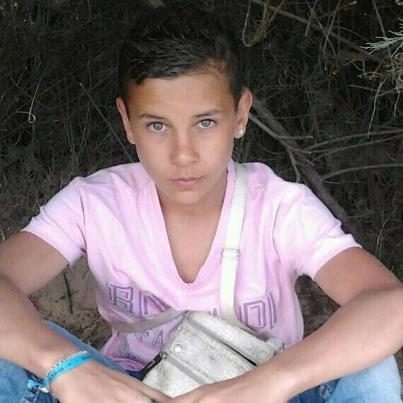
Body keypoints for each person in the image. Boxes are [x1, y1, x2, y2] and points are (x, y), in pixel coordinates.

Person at [0, 3, 402, 403]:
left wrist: (269, 383)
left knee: (371, 365)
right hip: (130, 391)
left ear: (240, 114)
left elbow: (389, 301)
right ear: (127, 121)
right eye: (157, 125)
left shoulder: (279, 208)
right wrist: (62, 366)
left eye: (205, 122)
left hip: (260, 392)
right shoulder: (94, 204)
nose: (183, 154)